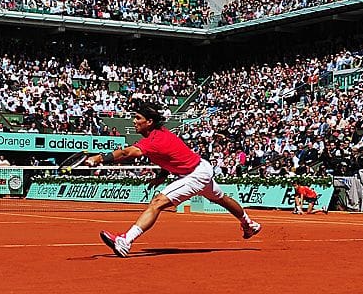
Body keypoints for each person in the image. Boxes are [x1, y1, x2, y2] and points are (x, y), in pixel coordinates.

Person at [85, 101, 261, 257]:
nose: (134, 121)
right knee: (221, 199)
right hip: (201, 167)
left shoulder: (154, 140)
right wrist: (162, 175)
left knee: (157, 203)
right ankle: (249, 223)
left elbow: (126, 153)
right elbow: (169, 156)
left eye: (138, 118)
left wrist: (99, 158)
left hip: (195, 174)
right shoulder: (159, 133)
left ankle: (125, 240)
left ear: (149, 122)